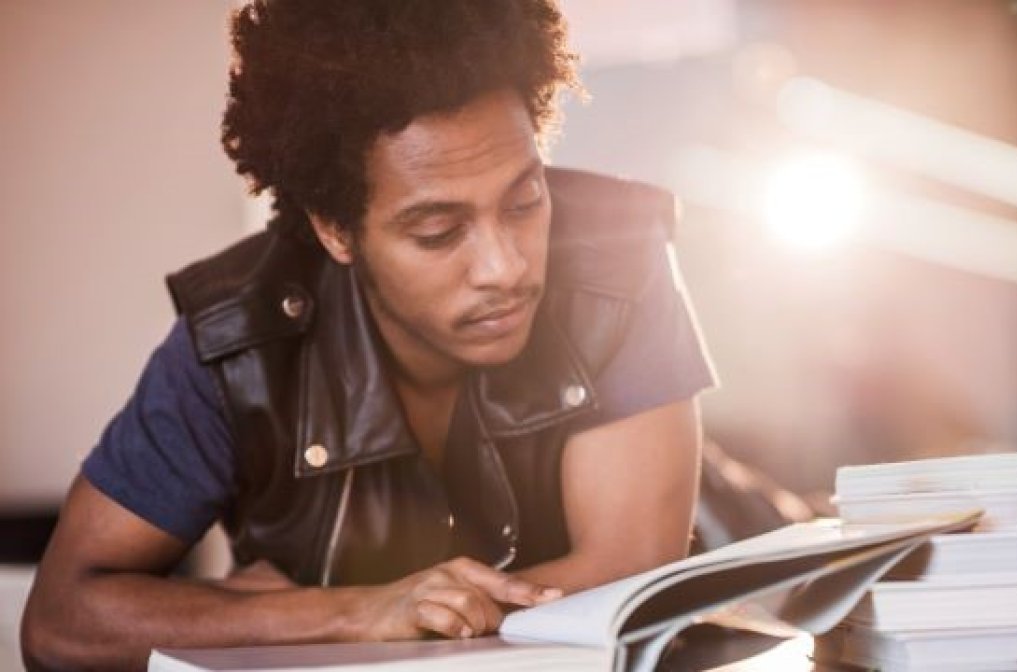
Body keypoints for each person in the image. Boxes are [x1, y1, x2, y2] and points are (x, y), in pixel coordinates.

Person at [21, 0, 715, 669]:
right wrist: (354, 612)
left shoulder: (614, 258)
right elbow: (61, 625)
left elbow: (632, 582)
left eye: (525, 201)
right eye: (438, 232)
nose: (505, 268)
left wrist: (273, 613)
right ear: (335, 229)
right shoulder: (236, 343)